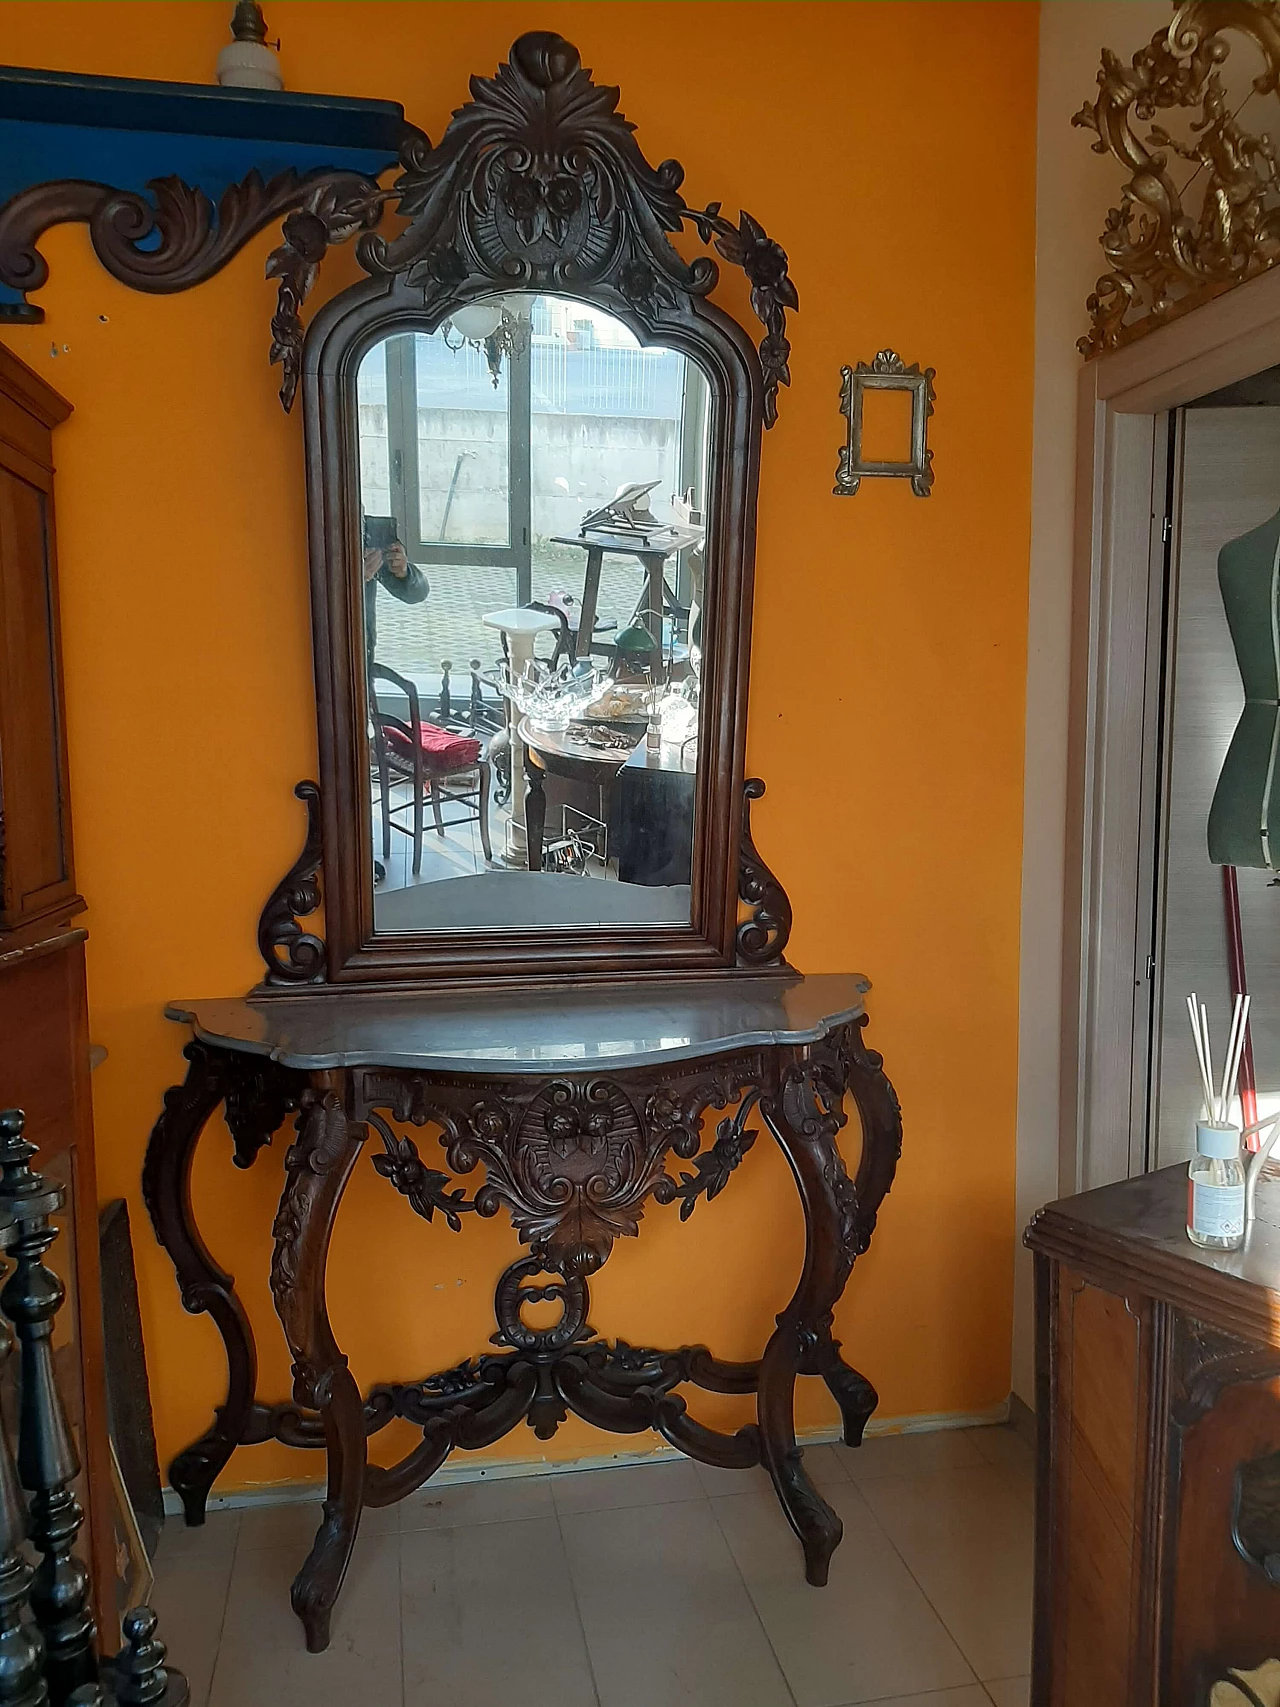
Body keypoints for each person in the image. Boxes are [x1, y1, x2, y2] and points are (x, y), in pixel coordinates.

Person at [362, 516, 429, 664]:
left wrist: (403, 571)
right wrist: (355, 579)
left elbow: (419, 593)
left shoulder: (365, 533)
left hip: (362, 649)